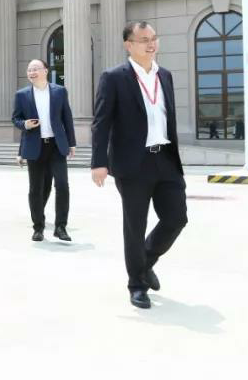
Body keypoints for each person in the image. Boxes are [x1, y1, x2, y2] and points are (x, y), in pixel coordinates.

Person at [91, 21, 188, 310]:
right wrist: (99, 162)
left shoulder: (164, 75)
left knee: (176, 218)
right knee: (135, 225)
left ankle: (145, 261)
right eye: (144, 39)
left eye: (154, 38)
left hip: (166, 158)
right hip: (133, 163)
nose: (151, 43)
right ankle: (137, 285)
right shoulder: (113, 77)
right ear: (128, 45)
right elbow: (101, 122)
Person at [12, 59, 76, 242]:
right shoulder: (22, 95)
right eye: (29, 70)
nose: (32, 72)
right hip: (35, 146)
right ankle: (38, 227)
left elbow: (67, 118)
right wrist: (25, 124)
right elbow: (16, 119)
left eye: (35, 69)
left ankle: (60, 227)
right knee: (36, 189)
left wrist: (71, 143)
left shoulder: (59, 91)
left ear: (45, 71)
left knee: (62, 185)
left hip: (56, 145)